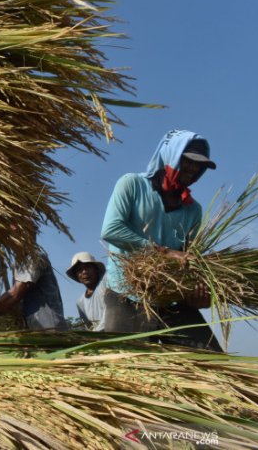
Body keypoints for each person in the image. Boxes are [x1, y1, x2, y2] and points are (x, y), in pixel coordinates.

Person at [100, 129, 222, 351]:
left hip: (169, 299)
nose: (194, 169)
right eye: (188, 161)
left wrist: (197, 291)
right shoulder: (132, 184)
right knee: (124, 367)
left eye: (200, 165)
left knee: (212, 360)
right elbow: (111, 229)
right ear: (171, 156)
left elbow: (188, 258)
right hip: (126, 294)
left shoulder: (193, 210)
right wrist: (164, 251)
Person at [0, 248, 68, 330]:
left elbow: (15, 294)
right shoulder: (19, 264)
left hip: (49, 330)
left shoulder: (35, 257)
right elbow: (16, 303)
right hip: (34, 331)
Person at [65, 252, 106, 331]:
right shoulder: (80, 302)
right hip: (99, 339)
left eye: (87, 267)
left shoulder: (105, 284)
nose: (84, 272)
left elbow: (110, 313)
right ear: (77, 276)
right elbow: (88, 327)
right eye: (79, 270)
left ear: (96, 270)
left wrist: (97, 332)